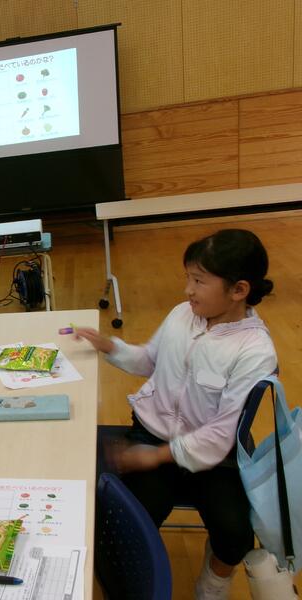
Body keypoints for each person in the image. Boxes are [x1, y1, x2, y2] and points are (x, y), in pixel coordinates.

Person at [75, 229, 278, 600]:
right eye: (188, 278)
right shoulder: (182, 315)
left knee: (235, 535)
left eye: (199, 281)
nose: (188, 290)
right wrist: (110, 347)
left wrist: (155, 457)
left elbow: (220, 435)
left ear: (238, 290)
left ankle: (211, 586)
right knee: (124, 524)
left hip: (213, 458)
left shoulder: (255, 350)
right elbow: (149, 360)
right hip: (152, 434)